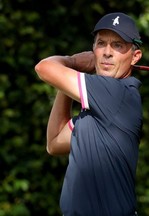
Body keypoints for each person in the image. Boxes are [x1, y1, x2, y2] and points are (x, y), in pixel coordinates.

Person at [35, 12, 143, 216]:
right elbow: (55, 142)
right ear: (93, 49)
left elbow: (43, 67)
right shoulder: (95, 112)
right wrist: (67, 83)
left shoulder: (117, 93)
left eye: (118, 45)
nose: (107, 52)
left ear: (135, 56)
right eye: (101, 43)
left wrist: (72, 61)